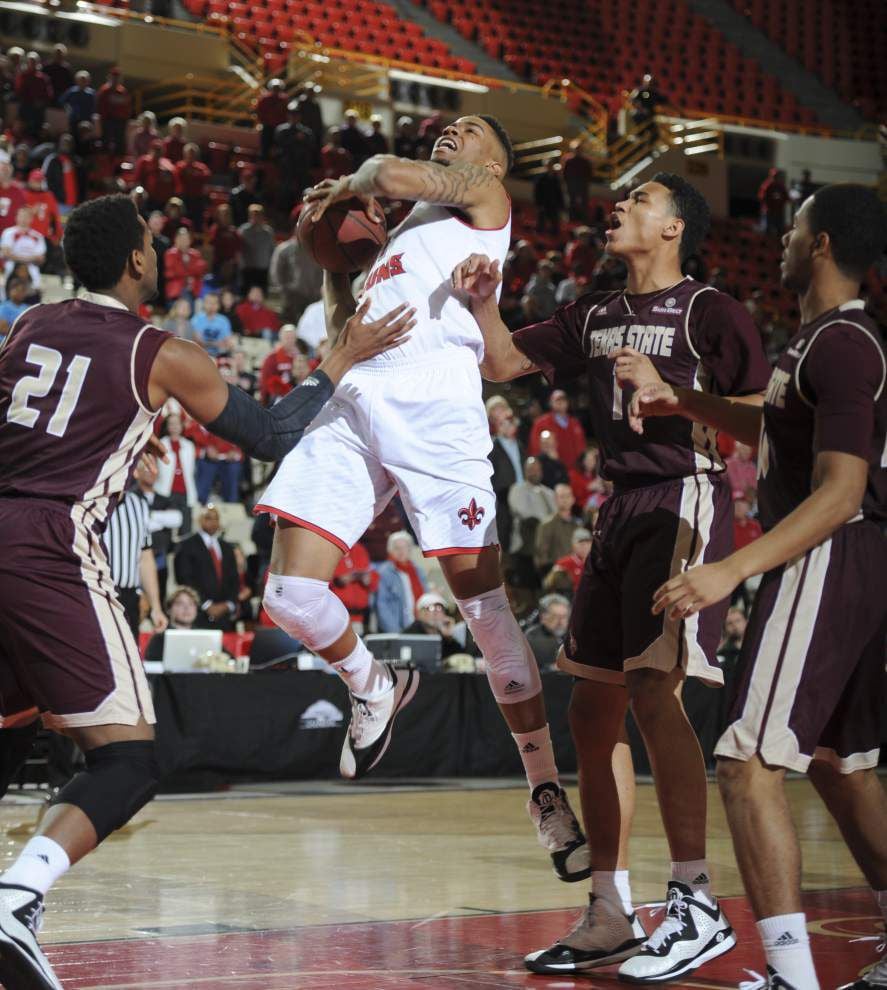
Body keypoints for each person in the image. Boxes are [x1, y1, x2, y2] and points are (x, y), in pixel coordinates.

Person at [0, 192, 414, 989]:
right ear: (134, 260)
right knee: (127, 762)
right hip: (50, 547)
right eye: (153, 242)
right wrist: (341, 353)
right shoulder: (160, 351)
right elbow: (270, 436)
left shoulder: (26, 327)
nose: (158, 254)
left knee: (13, 728)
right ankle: (18, 898)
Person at [453, 170, 771, 980]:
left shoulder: (711, 311)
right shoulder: (595, 309)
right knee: (592, 713)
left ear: (673, 228)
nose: (619, 206)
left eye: (639, 200)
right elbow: (499, 363)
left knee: (653, 692)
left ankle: (695, 899)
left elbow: (763, 425)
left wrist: (677, 397)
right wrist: (485, 301)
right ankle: (608, 909)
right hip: (617, 508)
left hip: (682, 498)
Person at [255, 114, 590, 880]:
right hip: (359, 398)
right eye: (447, 126)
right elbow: (347, 312)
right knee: (289, 592)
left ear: (495, 158)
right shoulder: (405, 230)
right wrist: (340, 257)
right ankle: (372, 687)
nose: (453, 132)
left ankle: (542, 791)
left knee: (485, 611)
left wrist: (349, 185)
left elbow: (388, 171)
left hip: (437, 409)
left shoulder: (483, 195)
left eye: (471, 128)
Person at [626, 183, 886, 990]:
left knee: (743, 759)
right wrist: (688, 402)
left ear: (820, 244)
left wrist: (730, 568)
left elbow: (841, 489)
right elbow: (777, 431)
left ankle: (788, 976)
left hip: (830, 552)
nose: (777, 236)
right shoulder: (815, 342)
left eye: (792, 224)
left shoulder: (845, 344)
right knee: (840, 764)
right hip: (855, 562)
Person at [102, 485, 167, 638]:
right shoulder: (89, 501)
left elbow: (145, 557)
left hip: (128, 597)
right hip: (96, 593)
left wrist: (156, 607)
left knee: (129, 657)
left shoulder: (139, 504)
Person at [172, 506, 241, 631]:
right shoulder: (186, 546)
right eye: (208, 518)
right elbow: (184, 578)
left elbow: (234, 578)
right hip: (198, 614)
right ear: (200, 520)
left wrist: (228, 604)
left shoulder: (227, 548)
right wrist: (206, 605)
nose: (213, 522)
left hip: (224, 617)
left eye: (216, 519)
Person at [374, 530, 429, 633]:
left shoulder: (418, 570)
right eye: (397, 548)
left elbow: (425, 598)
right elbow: (382, 606)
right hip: (398, 629)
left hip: (419, 627)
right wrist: (396, 633)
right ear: (390, 550)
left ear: (410, 549)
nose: (401, 551)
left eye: (405, 547)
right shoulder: (384, 572)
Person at [269, 218, 323, 323]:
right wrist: (285, 290)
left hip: (313, 297)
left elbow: (321, 272)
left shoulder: (316, 250)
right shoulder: (284, 249)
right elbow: (276, 273)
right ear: (296, 230)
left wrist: (318, 291)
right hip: (292, 298)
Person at [155, 411, 197, 535]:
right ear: (167, 426)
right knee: (165, 529)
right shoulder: (161, 443)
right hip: (166, 491)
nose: (174, 427)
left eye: (177, 424)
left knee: (185, 529)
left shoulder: (189, 445)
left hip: (185, 492)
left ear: (182, 425)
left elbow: (191, 470)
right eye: (171, 424)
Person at [528, 389, 587, 470]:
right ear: (550, 403)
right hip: (552, 471)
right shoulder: (541, 423)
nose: (561, 402)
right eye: (557, 400)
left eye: (563, 399)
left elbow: (581, 447)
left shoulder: (575, 423)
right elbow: (535, 448)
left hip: (574, 470)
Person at [331, 541, 379, 633]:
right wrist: (338, 580)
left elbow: (372, 581)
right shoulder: (331, 548)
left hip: (359, 616)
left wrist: (367, 579)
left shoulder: (359, 549)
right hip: (337, 615)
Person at [143, 586, 201, 662]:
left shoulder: (205, 637)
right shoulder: (160, 637)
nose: (187, 607)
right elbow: (151, 667)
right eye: (180, 603)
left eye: (191, 603)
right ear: (169, 609)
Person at [534, 483, 579, 578]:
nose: (565, 500)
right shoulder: (546, 525)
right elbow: (541, 556)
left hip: (577, 574)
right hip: (556, 576)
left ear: (573, 499)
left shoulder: (578, 525)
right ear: (555, 500)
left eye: (568, 496)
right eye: (562, 497)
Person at [1, 206, 45, 289]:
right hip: (11, 269)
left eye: (26, 216)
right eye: (21, 216)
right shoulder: (8, 233)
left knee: (33, 296)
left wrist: (16, 256)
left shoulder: (38, 236)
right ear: (16, 217)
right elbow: (6, 254)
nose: (23, 219)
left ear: (31, 219)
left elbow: (40, 259)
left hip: (32, 271)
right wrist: (30, 258)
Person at [524, 593, 571, 669]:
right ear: (543, 618)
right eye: (555, 616)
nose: (560, 621)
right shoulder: (531, 639)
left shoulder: (573, 635)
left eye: (564, 616)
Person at [543, 526, 592, 595]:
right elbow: (548, 584)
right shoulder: (563, 563)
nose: (584, 546)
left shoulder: (596, 563)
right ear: (573, 545)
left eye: (588, 543)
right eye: (581, 543)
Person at [239, 204, 276, 294]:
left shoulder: (268, 232)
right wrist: (242, 265)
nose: (256, 217)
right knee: (246, 294)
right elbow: (239, 249)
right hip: (248, 269)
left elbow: (272, 249)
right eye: (253, 215)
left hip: (263, 269)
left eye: (258, 215)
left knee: (261, 295)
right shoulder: (244, 231)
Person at [164, 226, 206, 303]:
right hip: (176, 292)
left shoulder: (195, 254)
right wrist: (190, 272)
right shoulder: (170, 254)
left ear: (190, 240)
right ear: (176, 240)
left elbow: (200, 270)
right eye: (181, 238)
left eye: (186, 238)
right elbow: (172, 273)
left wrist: (184, 270)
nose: (184, 241)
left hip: (193, 290)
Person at [95, 67, 132, 156]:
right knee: (106, 141)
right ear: (110, 78)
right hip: (108, 120)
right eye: (114, 77)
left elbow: (127, 106)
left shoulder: (123, 91)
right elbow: (100, 107)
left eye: (117, 77)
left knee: (120, 142)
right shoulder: (104, 90)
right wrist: (104, 118)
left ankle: (118, 161)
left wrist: (126, 118)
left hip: (120, 121)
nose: (115, 79)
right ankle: (105, 160)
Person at [191, 292, 233, 357]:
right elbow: (198, 341)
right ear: (204, 304)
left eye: (214, 303)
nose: (211, 305)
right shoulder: (196, 319)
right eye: (208, 302)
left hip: (219, 355)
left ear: (218, 305)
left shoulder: (224, 320)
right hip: (199, 354)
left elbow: (228, 342)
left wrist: (224, 345)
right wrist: (216, 344)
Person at [256, 78, 289, 160]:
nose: (276, 90)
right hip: (268, 126)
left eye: (278, 88)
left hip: (280, 128)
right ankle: (264, 161)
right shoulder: (264, 99)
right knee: (265, 146)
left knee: (279, 146)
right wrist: (263, 122)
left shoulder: (284, 99)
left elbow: (286, 113)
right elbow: (260, 112)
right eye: (275, 88)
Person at [534, 161, 564, 236]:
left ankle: (554, 235)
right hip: (544, 203)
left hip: (553, 203)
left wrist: (561, 204)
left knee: (554, 220)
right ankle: (540, 235)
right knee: (542, 220)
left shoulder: (555, 178)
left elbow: (559, 192)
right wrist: (538, 203)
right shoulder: (541, 178)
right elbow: (537, 192)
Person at [758, 167, 789, 237]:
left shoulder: (781, 186)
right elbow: (761, 197)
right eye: (774, 176)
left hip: (779, 211)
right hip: (769, 211)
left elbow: (786, 198)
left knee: (780, 230)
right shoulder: (766, 185)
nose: (776, 178)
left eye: (777, 176)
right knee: (766, 230)